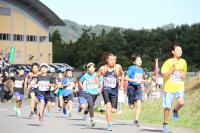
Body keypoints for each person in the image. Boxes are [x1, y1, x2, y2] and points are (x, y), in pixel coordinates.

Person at [161, 44, 187, 133]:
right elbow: (163, 75)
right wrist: (172, 69)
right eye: (178, 50)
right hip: (169, 87)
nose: (180, 51)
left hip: (179, 87)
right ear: (173, 52)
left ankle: (175, 111)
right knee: (167, 107)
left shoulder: (183, 62)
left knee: (182, 102)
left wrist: (184, 75)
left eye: (181, 50)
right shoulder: (168, 62)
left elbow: (184, 74)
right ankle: (165, 124)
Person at [96, 53, 124, 131]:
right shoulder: (103, 68)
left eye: (114, 60)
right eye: (111, 60)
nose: (113, 61)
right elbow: (96, 77)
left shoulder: (118, 67)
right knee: (108, 106)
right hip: (106, 89)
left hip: (115, 90)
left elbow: (122, 74)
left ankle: (105, 111)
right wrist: (99, 84)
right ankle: (109, 125)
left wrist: (121, 84)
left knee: (113, 110)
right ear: (107, 60)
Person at [79, 63, 103, 127]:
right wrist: (82, 87)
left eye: (92, 67)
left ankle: (86, 110)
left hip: (95, 93)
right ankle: (92, 119)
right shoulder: (86, 75)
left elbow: (101, 82)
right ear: (88, 69)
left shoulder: (97, 75)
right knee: (91, 104)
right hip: (88, 92)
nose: (91, 69)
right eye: (89, 68)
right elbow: (80, 81)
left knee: (91, 105)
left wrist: (100, 88)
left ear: (94, 68)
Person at [125, 54, 146, 127]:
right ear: (134, 62)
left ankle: (136, 120)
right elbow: (126, 78)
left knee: (139, 104)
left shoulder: (141, 69)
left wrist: (144, 81)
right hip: (131, 87)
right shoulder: (132, 68)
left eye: (140, 60)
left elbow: (140, 79)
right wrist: (134, 80)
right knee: (131, 106)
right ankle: (130, 102)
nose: (140, 61)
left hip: (138, 87)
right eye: (138, 60)